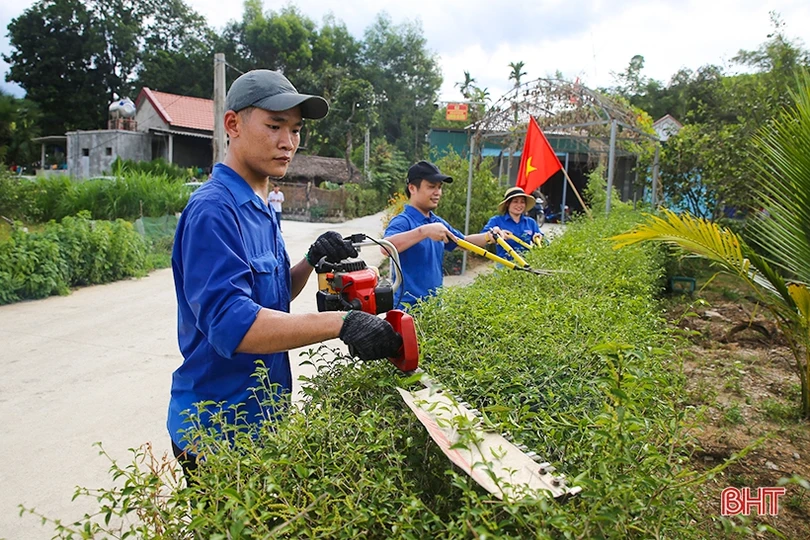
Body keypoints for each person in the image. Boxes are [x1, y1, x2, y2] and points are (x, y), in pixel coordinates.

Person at [169, 69, 402, 478]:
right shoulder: (214, 211)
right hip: (219, 428)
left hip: (264, 416)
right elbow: (234, 325)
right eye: (274, 126)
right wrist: (341, 323)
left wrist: (311, 259)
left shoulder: (261, 204)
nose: (288, 142)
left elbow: (274, 296)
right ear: (233, 124)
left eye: (295, 130)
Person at [383, 160, 499, 310]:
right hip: (406, 310)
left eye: (439, 187)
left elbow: (462, 242)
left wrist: (489, 236)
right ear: (412, 188)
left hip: (434, 309)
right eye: (431, 187)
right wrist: (424, 232)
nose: (437, 192)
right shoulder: (403, 222)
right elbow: (385, 248)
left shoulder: (437, 222)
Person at [481, 187, 543, 259]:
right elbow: (483, 236)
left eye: (522, 202)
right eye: (515, 201)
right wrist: (496, 235)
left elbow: (543, 241)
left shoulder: (530, 222)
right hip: (504, 263)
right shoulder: (496, 220)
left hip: (526, 263)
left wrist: (539, 238)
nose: (519, 205)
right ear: (508, 204)